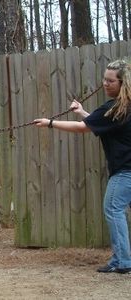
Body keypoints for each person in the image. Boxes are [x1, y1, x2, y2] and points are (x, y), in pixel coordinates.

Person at [34, 59, 131, 274]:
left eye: (110, 81)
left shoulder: (116, 108)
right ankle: (121, 260)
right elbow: (96, 123)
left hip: (125, 172)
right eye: (104, 79)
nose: (105, 83)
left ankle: (123, 261)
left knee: (113, 210)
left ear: (123, 83)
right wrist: (82, 111)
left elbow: (81, 128)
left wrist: (50, 123)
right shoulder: (122, 108)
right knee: (116, 211)